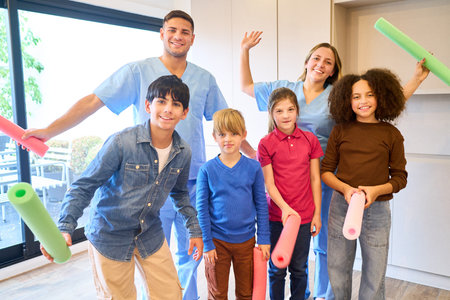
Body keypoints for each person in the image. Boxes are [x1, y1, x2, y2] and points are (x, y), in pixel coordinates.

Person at [24, 10, 254, 300]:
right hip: (140, 188)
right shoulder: (135, 76)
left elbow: (227, 124)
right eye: (172, 30)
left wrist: (254, 155)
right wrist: (49, 131)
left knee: (189, 256)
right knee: (136, 271)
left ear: (193, 39)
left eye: (185, 32)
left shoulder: (204, 81)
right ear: (162, 33)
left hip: (187, 181)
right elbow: (95, 101)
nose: (178, 36)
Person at [240, 31, 429, 300]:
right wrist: (245, 49)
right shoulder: (284, 89)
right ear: (307, 61)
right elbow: (246, 86)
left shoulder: (338, 95)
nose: (321, 64)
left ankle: (323, 295)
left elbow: (379, 106)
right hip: (285, 176)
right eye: (316, 58)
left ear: (333, 71)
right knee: (292, 236)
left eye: (328, 62)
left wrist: (415, 80)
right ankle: (300, 294)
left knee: (325, 242)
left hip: (323, 174)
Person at [40, 75, 203, 300]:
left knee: (171, 294)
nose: (168, 109)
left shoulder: (183, 152)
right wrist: (65, 226)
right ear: (148, 105)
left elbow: (180, 194)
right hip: (109, 234)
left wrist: (194, 230)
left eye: (176, 104)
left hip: (149, 232)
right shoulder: (121, 142)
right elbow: (84, 185)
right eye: (161, 101)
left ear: (184, 112)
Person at [321, 68, 408, 299]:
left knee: (375, 273)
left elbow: (400, 178)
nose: (363, 101)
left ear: (380, 96)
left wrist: (376, 191)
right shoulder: (340, 131)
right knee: (337, 268)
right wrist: (346, 189)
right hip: (341, 207)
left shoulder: (391, 134)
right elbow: (326, 172)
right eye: (356, 96)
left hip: (377, 211)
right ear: (346, 101)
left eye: (369, 94)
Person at [196, 108, 270, 299]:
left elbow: (262, 205)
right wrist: (207, 243)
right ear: (214, 136)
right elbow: (202, 210)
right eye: (222, 134)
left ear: (243, 135)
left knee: (246, 293)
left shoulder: (253, 168)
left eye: (234, 133)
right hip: (216, 243)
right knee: (217, 292)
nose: (228, 139)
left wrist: (263, 238)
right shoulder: (207, 170)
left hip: (246, 242)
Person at [257, 88, 323, 299]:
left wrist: (317, 214)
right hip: (276, 218)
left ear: (297, 112)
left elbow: (315, 179)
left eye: (290, 109)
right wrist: (286, 210)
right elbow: (269, 183)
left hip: (304, 217)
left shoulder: (310, 140)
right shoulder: (266, 144)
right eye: (279, 111)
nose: (285, 115)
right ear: (271, 114)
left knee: (299, 269)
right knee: (276, 270)